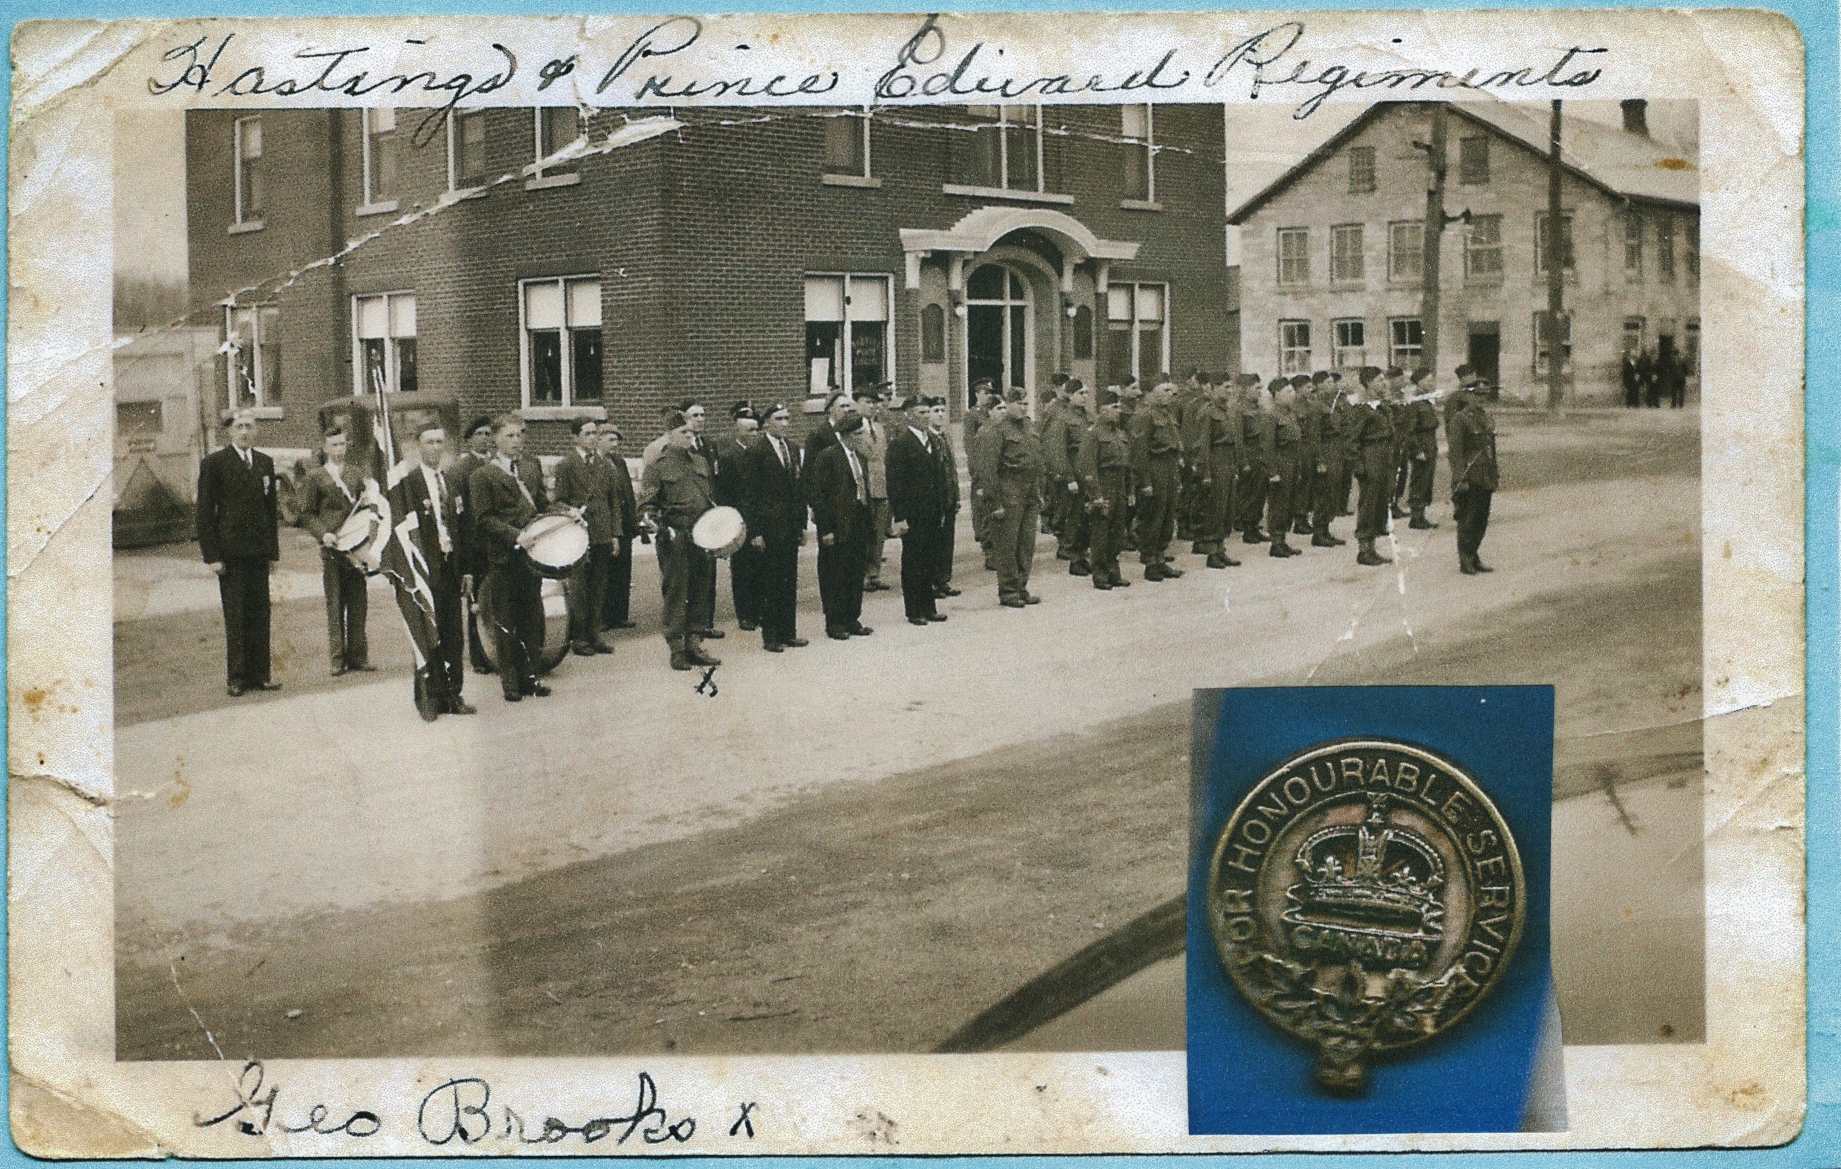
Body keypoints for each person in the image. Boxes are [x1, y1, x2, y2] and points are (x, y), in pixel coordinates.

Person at [389, 424, 475, 720]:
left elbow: (462, 529)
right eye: (430, 442)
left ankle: (454, 695)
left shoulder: (451, 480)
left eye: (440, 442)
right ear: (418, 446)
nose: (436, 448)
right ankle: (428, 697)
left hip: (451, 568)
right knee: (427, 633)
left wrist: (466, 571)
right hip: (425, 571)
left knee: (453, 634)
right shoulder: (409, 485)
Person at [196, 408, 282, 697]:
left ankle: (262, 674)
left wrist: (272, 553)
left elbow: (271, 512)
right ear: (230, 432)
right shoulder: (215, 463)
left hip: (258, 551)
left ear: (256, 430)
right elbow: (205, 513)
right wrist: (212, 556)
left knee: (260, 613)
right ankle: (237, 677)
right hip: (230, 553)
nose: (245, 432)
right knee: (236, 615)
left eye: (249, 426)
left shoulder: (265, 463)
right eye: (239, 427)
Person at [468, 415, 551, 701]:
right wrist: (515, 535)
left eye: (520, 435)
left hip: (532, 557)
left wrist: (567, 512)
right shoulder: (482, 476)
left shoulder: (529, 468)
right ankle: (511, 683)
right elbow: (483, 519)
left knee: (532, 618)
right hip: (504, 558)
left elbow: (543, 504)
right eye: (511, 436)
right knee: (506, 621)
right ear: (496, 439)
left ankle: (530, 677)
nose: (518, 441)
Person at [639, 410, 721, 670]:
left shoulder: (700, 462)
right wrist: (649, 519)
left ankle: (695, 644)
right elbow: (646, 503)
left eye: (691, 433)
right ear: (670, 435)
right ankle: (676, 648)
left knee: (700, 588)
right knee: (676, 591)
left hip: (701, 534)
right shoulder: (657, 466)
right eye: (684, 432)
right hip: (674, 536)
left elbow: (709, 498)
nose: (690, 437)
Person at [297, 427, 376, 677]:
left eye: (342, 445)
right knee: (335, 603)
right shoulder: (315, 477)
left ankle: (358, 657)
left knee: (358, 601)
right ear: (325, 448)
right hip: (332, 547)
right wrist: (323, 534)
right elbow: (307, 513)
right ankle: (336, 659)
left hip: (355, 546)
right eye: (334, 445)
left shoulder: (357, 474)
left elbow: (367, 505)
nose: (339, 450)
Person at [737, 402, 809, 652]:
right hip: (768, 527)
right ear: (767, 422)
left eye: (787, 418)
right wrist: (754, 531)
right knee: (770, 582)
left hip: (789, 526)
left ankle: (789, 632)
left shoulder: (792, 448)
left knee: (789, 581)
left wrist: (801, 524)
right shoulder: (757, 451)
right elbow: (749, 495)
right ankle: (771, 636)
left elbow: (798, 489)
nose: (784, 423)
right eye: (779, 418)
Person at [971, 387, 1046, 607]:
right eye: (1019, 404)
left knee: (1026, 543)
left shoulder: (1028, 426)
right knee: (1007, 544)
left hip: (1029, 491)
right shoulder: (994, 430)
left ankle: (1021, 586)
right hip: (1008, 490)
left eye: (1026, 404)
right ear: (1008, 404)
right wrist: (994, 502)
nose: (1023, 408)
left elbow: (1036, 460)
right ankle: (1008, 590)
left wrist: (1038, 492)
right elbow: (987, 469)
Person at [552, 417, 619, 656]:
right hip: (579, 534)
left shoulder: (604, 465)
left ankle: (594, 635)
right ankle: (578, 638)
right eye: (588, 433)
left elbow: (613, 502)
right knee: (579, 587)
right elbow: (557, 501)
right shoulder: (566, 465)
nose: (593, 438)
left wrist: (615, 534)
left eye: (595, 433)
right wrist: (570, 511)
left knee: (599, 587)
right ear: (576, 437)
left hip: (601, 532)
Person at [808, 416, 876, 639]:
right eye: (857, 435)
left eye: (862, 434)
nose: (861, 439)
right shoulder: (828, 457)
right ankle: (835, 622)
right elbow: (819, 496)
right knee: (835, 574)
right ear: (845, 436)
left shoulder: (860, 458)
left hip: (858, 522)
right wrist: (826, 529)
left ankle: (852, 617)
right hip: (837, 526)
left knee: (855, 572)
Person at [885, 396, 950, 626]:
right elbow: (895, 483)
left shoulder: (933, 440)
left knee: (930, 561)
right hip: (913, 514)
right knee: (913, 562)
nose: (926, 417)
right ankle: (914, 610)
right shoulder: (900, 443)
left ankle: (929, 606)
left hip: (932, 512)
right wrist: (899, 516)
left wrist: (942, 508)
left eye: (927, 412)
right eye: (921, 413)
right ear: (908, 415)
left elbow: (940, 477)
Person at [450, 415, 499, 675]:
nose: (485, 438)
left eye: (488, 434)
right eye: (479, 434)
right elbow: (459, 513)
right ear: (469, 439)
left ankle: (497, 650)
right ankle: (479, 656)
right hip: (474, 544)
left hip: (496, 542)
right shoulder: (461, 470)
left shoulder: (496, 465)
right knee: (477, 602)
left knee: (497, 598)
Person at [1077, 387, 1134, 590]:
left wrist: (1130, 491)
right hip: (1104, 484)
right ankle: (1100, 574)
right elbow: (1087, 466)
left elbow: (1127, 466)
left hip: (1119, 486)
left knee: (1118, 533)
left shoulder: (1119, 433)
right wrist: (1096, 495)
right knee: (1100, 533)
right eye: (1114, 406)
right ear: (1102, 409)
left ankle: (1113, 571)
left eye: (1119, 406)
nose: (1118, 410)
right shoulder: (1093, 433)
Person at [1128, 379, 1184, 581]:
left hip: (1169, 468)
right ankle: (1150, 562)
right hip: (1155, 468)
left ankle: (1160, 558)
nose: (1171, 394)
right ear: (1152, 393)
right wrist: (1145, 482)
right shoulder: (1143, 416)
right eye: (1165, 390)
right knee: (1153, 516)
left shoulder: (1167, 415)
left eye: (1172, 390)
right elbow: (1138, 452)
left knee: (1168, 515)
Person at [716, 401, 765, 632]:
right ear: (738, 432)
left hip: (763, 519)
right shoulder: (728, 457)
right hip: (741, 521)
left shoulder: (764, 453)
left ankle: (761, 611)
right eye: (749, 431)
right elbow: (726, 495)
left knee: (762, 569)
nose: (755, 435)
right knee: (743, 570)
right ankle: (745, 614)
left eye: (757, 430)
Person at [1447, 369, 1500, 574]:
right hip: (1470, 476)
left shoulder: (1486, 417)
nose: (1480, 399)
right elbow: (1456, 453)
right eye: (1477, 396)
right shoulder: (1460, 420)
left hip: (1485, 474)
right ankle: (1465, 559)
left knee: (1481, 519)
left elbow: (1490, 449)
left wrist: (1494, 473)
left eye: (1483, 396)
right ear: (1468, 397)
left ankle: (1474, 554)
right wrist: (1461, 479)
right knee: (1467, 519)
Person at [1347, 368, 1396, 566]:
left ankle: (1372, 547)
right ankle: (1364, 549)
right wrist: (1359, 465)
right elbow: (1351, 440)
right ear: (1368, 384)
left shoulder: (1381, 406)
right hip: (1371, 457)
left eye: (1384, 379)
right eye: (1379, 380)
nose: (1384, 383)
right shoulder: (1362, 409)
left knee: (1380, 502)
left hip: (1384, 456)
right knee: (1369, 502)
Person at [1044, 379, 1092, 576]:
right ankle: (1073, 556)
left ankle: (1082, 554)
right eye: (1081, 393)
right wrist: (1067, 477)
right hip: (1074, 475)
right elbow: (1057, 451)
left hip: (1088, 475)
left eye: (1086, 393)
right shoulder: (1062, 418)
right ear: (1070, 395)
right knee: (1074, 517)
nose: (1085, 397)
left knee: (1086, 517)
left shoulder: (1087, 417)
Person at [1196, 376, 1245, 568]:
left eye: (1231, 387)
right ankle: (1211, 552)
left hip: (1228, 462)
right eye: (1226, 387)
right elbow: (1203, 444)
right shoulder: (1208, 412)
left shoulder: (1228, 412)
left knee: (1227, 508)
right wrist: (1205, 472)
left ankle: (1220, 548)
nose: (1230, 391)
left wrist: (1236, 465)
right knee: (1215, 507)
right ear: (1214, 388)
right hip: (1215, 462)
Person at [597, 425, 640, 632]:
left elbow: (628, 494)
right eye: (610, 440)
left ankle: (619, 615)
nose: (615, 445)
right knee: (605, 571)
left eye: (617, 441)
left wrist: (634, 520)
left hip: (623, 524)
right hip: (605, 524)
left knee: (622, 571)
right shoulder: (596, 464)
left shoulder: (620, 463)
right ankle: (602, 616)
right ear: (599, 440)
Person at [855, 387, 893, 593]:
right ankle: (860, 575)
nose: (871, 406)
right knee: (864, 532)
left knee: (879, 533)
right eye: (866, 402)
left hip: (881, 485)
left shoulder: (879, 428)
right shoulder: (852, 428)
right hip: (864, 485)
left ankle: (874, 573)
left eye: (873, 403)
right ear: (856, 404)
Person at [926, 396, 963, 599]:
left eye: (942, 410)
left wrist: (956, 496)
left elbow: (952, 470)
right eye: (935, 411)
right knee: (935, 542)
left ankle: (944, 580)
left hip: (948, 498)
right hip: (936, 501)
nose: (940, 414)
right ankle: (933, 581)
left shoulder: (944, 436)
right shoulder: (927, 438)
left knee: (947, 542)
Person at [1264, 378, 1303, 558]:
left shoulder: (1290, 414)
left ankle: (1283, 540)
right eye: (1288, 392)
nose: (1292, 395)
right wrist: (1272, 472)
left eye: (1292, 391)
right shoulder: (1272, 416)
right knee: (1279, 503)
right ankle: (1276, 542)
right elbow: (1268, 446)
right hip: (1281, 462)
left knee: (1289, 501)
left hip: (1292, 461)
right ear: (1277, 395)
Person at [1405, 369, 1442, 530]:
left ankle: (1421, 515)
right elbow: (1409, 430)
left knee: (1427, 481)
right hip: (1421, 444)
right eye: (1427, 381)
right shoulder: (1415, 403)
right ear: (1419, 383)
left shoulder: (1426, 401)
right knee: (1419, 480)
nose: (1431, 383)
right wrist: (1416, 450)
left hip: (1430, 442)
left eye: (1432, 380)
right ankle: (1416, 516)